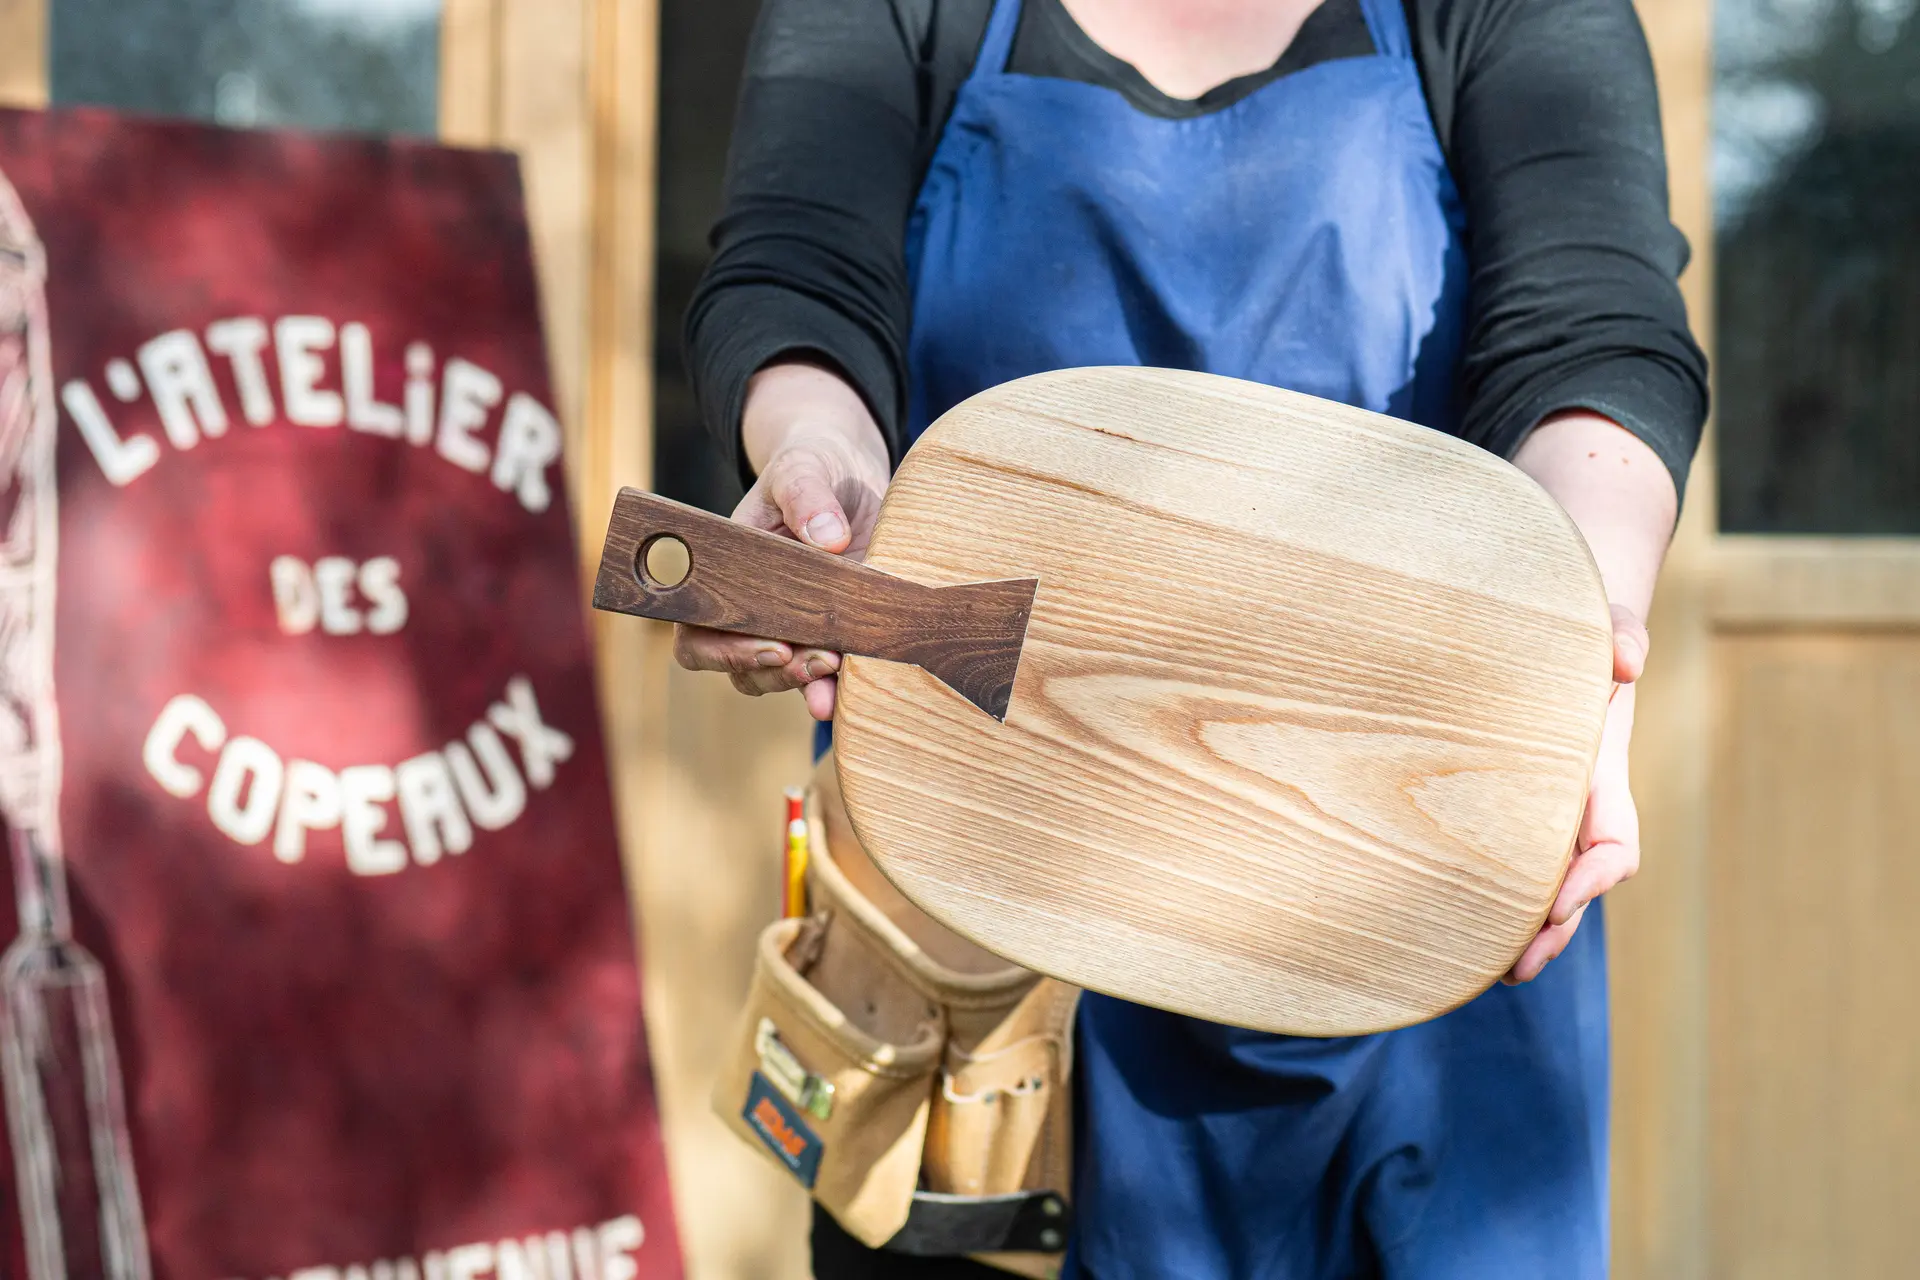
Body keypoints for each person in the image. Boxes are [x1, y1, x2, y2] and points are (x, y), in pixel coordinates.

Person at [675, 0, 1708, 1274]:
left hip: (1429, 899)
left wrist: (1580, 627)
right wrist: (816, 461)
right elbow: (798, 274)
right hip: (983, 926)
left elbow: (1592, 329)